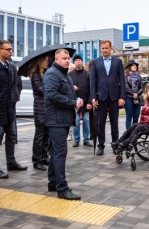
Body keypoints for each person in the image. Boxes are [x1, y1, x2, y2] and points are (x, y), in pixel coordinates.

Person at [0, 39, 27, 179]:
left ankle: (11, 162)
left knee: (12, 136)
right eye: (8, 49)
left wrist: (14, 97)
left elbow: (17, 84)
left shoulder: (11, 66)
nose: (11, 52)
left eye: (11, 49)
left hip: (10, 108)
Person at [44, 49, 83, 200]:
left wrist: (75, 101)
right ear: (56, 59)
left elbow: (64, 92)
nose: (68, 60)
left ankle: (53, 182)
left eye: (68, 58)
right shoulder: (53, 73)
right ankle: (62, 188)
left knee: (56, 152)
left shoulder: (63, 73)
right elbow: (52, 95)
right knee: (60, 153)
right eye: (64, 58)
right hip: (56, 120)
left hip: (62, 118)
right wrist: (73, 103)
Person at [90, 40, 126, 156]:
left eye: (106, 48)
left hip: (114, 97)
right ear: (101, 49)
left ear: (110, 48)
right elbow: (93, 81)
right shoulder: (96, 62)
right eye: (102, 48)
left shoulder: (118, 62)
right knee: (101, 123)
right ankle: (101, 146)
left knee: (114, 123)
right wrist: (93, 97)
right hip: (101, 97)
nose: (104, 50)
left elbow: (122, 81)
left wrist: (122, 97)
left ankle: (115, 145)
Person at [113, 82, 149, 151]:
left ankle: (126, 144)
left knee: (139, 128)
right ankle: (118, 142)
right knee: (134, 126)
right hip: (148, 123)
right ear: (147, 93)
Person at [29, 55, 51, 171]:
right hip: (40, 108)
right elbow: (41, 90)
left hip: (47, 108)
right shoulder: (35, 75)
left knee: (46, 135)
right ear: (40, 62)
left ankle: (44, 156)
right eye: (46, 61)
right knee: (39, 136)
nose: (47, 63)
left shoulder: (46, 73)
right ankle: (36, 160)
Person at [68, 54, 93, 147]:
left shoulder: (87, 74)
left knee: (86, 121)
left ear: (82, 62)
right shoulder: (70, 75)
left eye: (79, 60)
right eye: (76, 60)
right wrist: (72, 87)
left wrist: (89, 102)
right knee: (76, 121)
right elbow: (66, 87)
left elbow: (91, 89)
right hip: (75, 102)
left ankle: (86, 139)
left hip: (86, 102)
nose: (78, 62)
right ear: (74, 63)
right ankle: (76, 139)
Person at [124, 60, 143, 130]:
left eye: (135, 65)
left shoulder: (138, 76)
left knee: (136, 117)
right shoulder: (125, 76)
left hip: (137, 98)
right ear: (129, 67)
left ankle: (134, 134)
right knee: (129, 116)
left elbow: (142, 87)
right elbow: (125, 87)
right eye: (133, 65)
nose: (135, 66)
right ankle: (128, 134)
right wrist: (133, 93)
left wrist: (137, 94)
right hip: (129, 98)